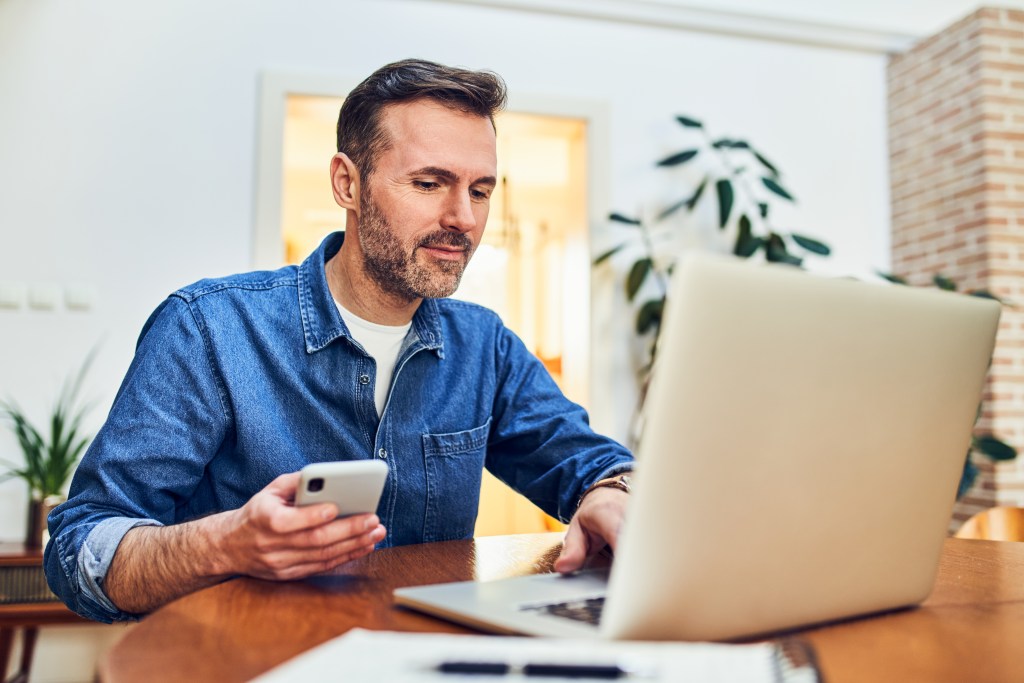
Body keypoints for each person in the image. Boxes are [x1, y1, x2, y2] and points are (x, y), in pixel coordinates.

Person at [45, 59, 634, 623]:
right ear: (347, 183)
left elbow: (596, 466)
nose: (464, 218)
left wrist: (613, 492)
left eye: (480, 191)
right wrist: (224, 545)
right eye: (430, 183)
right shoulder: (208, 329)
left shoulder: (486, 347)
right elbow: (80, 553)